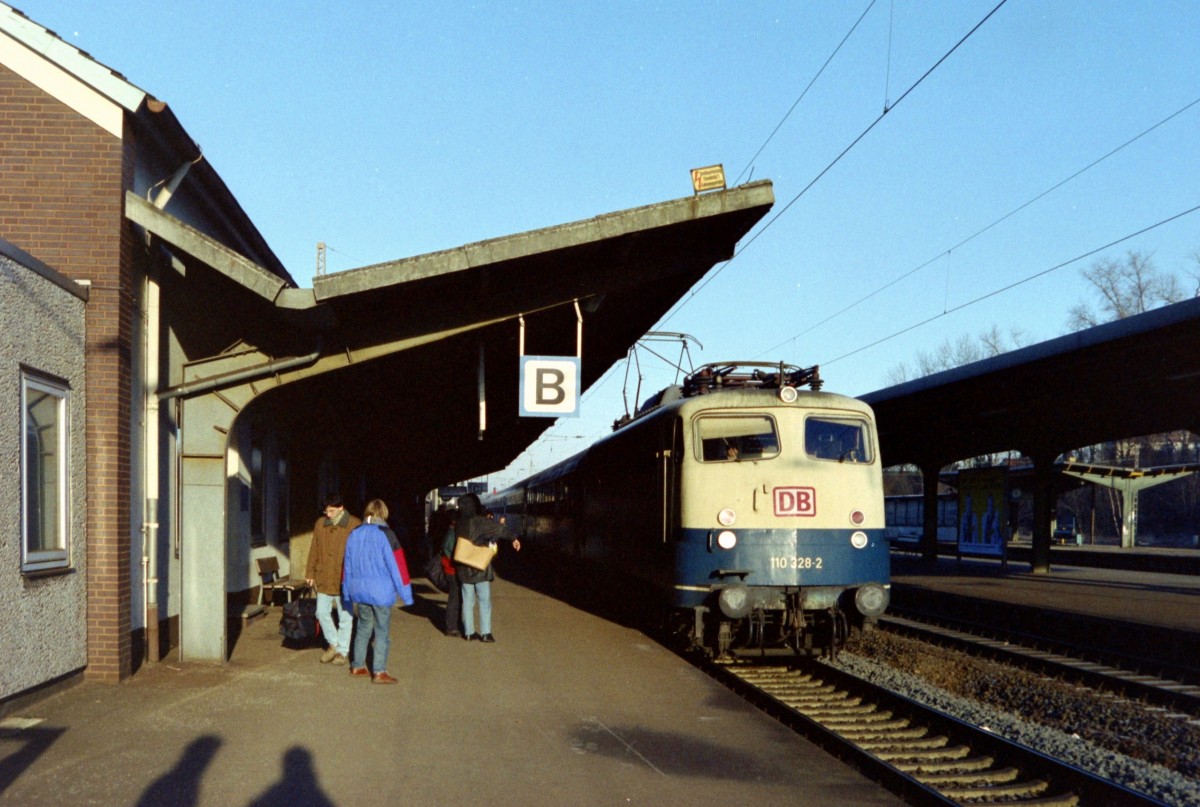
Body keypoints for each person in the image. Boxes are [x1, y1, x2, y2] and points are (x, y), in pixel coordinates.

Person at [343, 499, 413, 684]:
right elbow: (398, 567)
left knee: (363, 627)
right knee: (382, 632)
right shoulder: (387, 534)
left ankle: (357, 665)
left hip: (359, 591)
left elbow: (347, 566)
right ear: (384, 513)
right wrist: (406, 594)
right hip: (381, 593)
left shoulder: (354, 533)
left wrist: (346, 591)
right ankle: (379, 672)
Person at [453, 493, 520, 643]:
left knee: (467, 601)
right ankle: (485, 633)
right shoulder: (480, 522)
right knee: (484, 600)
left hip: (463, 566)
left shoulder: (460, 522)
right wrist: (513, 538)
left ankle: (469, 633)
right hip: (479, 567)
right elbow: (499, 529)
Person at [305, 493, 360, 665]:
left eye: (331, 511)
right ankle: (334, 643)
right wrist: (310, 573)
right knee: (320, 612)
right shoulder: (320, 524)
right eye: (325, 510)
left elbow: (358, 554)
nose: (327, 514)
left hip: (344, 578)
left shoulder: (354, 525)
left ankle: (342, 652)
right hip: (324, 575)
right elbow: (314, 549)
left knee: (345, 616)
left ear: (341, 508)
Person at [438, 506, 462, 637]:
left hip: (450, 568)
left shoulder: (450, 531)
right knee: (454, 598)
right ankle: (451, 627)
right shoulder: (452, 533)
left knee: (455, 597)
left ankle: (453, 624)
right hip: (451, 569)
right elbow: (448, 550)